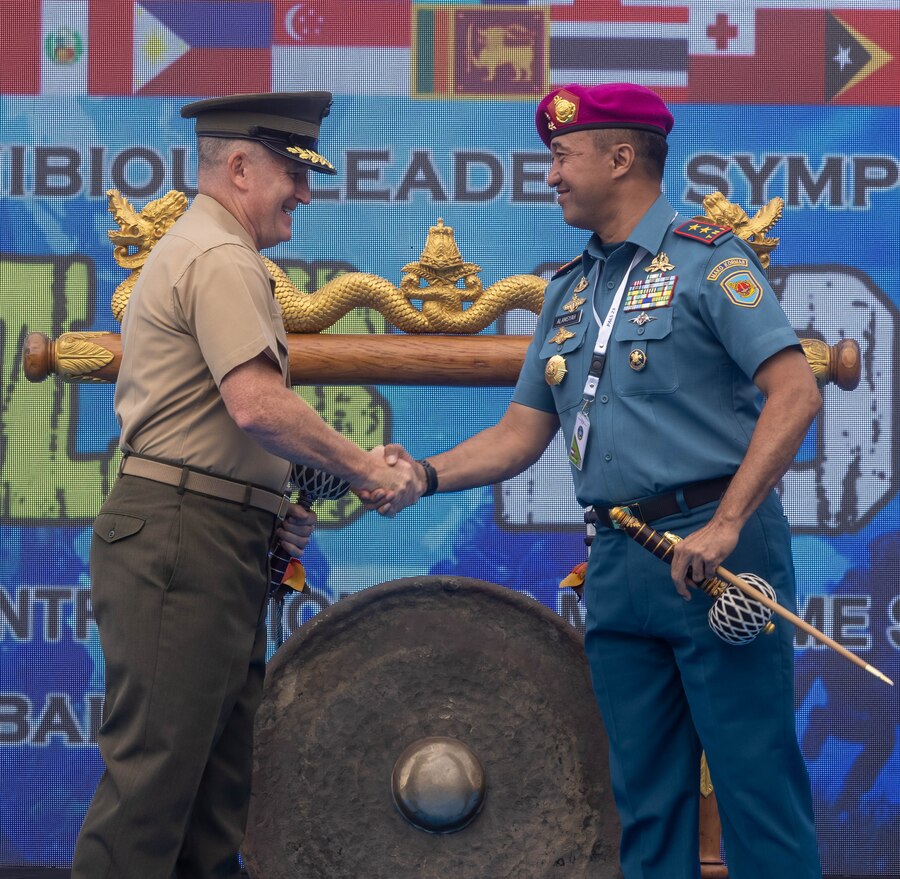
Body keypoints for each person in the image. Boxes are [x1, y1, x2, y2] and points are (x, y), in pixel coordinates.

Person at [373, 83, 824, 878]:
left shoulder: (709, 257)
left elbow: (797, 391)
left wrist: (725, 525)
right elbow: (521, 433)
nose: (549, 174)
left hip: (717, 546)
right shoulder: (567, 290)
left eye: (561, 156)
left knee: (758, 791)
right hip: (619, 557)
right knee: (645, 802)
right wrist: (426, 473)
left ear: (620, 157)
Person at [71, 92, 418, 879]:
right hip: (182, 537)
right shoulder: (221, 257)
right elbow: (257, 404)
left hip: (210, 533)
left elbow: (218, 420)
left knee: (210, 795)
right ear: (239, 167)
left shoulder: (217, 253)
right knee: (154, 788)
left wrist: (273, 500)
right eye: (293, 171)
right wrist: (364, 467)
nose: (304, 190)